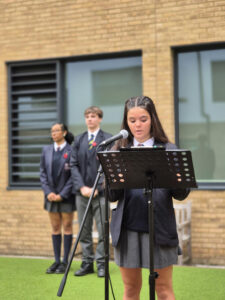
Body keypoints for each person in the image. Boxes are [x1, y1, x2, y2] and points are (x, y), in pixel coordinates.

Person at [109, 96, 190, 300]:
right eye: (132, 120)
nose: (137, 125)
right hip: (128, 229)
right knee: (130, 289)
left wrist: (178, 179)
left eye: (143, 119)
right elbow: (111, 195)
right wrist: (112, 177)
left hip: (159, 228)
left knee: (163, 290)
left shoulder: (169, 150)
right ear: (126, 122)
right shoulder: (118, 150)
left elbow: (181, 195)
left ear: (153, 119)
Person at [70, 106, 112, 278]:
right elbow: (73, 165)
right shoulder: (78, 140)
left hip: (101, 193)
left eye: (93, 116)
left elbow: (110, 166)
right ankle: (87, 263)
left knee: (102, 230)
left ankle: (102, 264)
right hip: (82, 194)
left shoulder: (108, 139)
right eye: (87, 116)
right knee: (84, 230)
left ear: (100, 119)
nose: (90, 119)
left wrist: (98, 187)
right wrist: (82, 187)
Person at [40, 123, 76, 274]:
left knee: (67, 227)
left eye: (56, 130)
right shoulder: (46, 150)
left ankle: (65, 262)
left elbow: (74, 174)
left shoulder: (72, 150)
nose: (53, 133)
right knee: (55, 228)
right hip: (51, 197)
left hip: (66, 197)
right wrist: (49, 192)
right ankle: (56, 261)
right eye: (52, 131)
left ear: (64, 132)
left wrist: (62, 194)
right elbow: (42, 173)